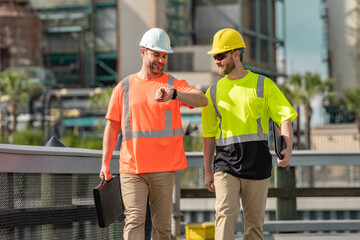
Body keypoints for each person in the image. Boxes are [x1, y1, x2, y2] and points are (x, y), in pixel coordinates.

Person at [99, 28, 208, 240]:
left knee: (162, 227)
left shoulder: (172, 84)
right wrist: (104, 163)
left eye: (164, 56)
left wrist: (175, 95)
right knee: (134, 220)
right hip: (133, 169)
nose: (161, 60)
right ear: (143, 53)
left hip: (164, 169)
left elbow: (202, 99)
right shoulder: (124, 87)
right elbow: (112, 127)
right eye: (156, 54)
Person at [202, 28, 298, 240]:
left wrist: (288, 149)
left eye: (220, 56)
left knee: (254, 226)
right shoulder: (213, 92)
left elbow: (284, 117)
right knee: (225, 215)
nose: (216, 61)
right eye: (215, 56)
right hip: (225, 164)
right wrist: (207, 171)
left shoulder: (264, 85)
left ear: (236, 54)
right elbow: (208, 135)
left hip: (258, 163)